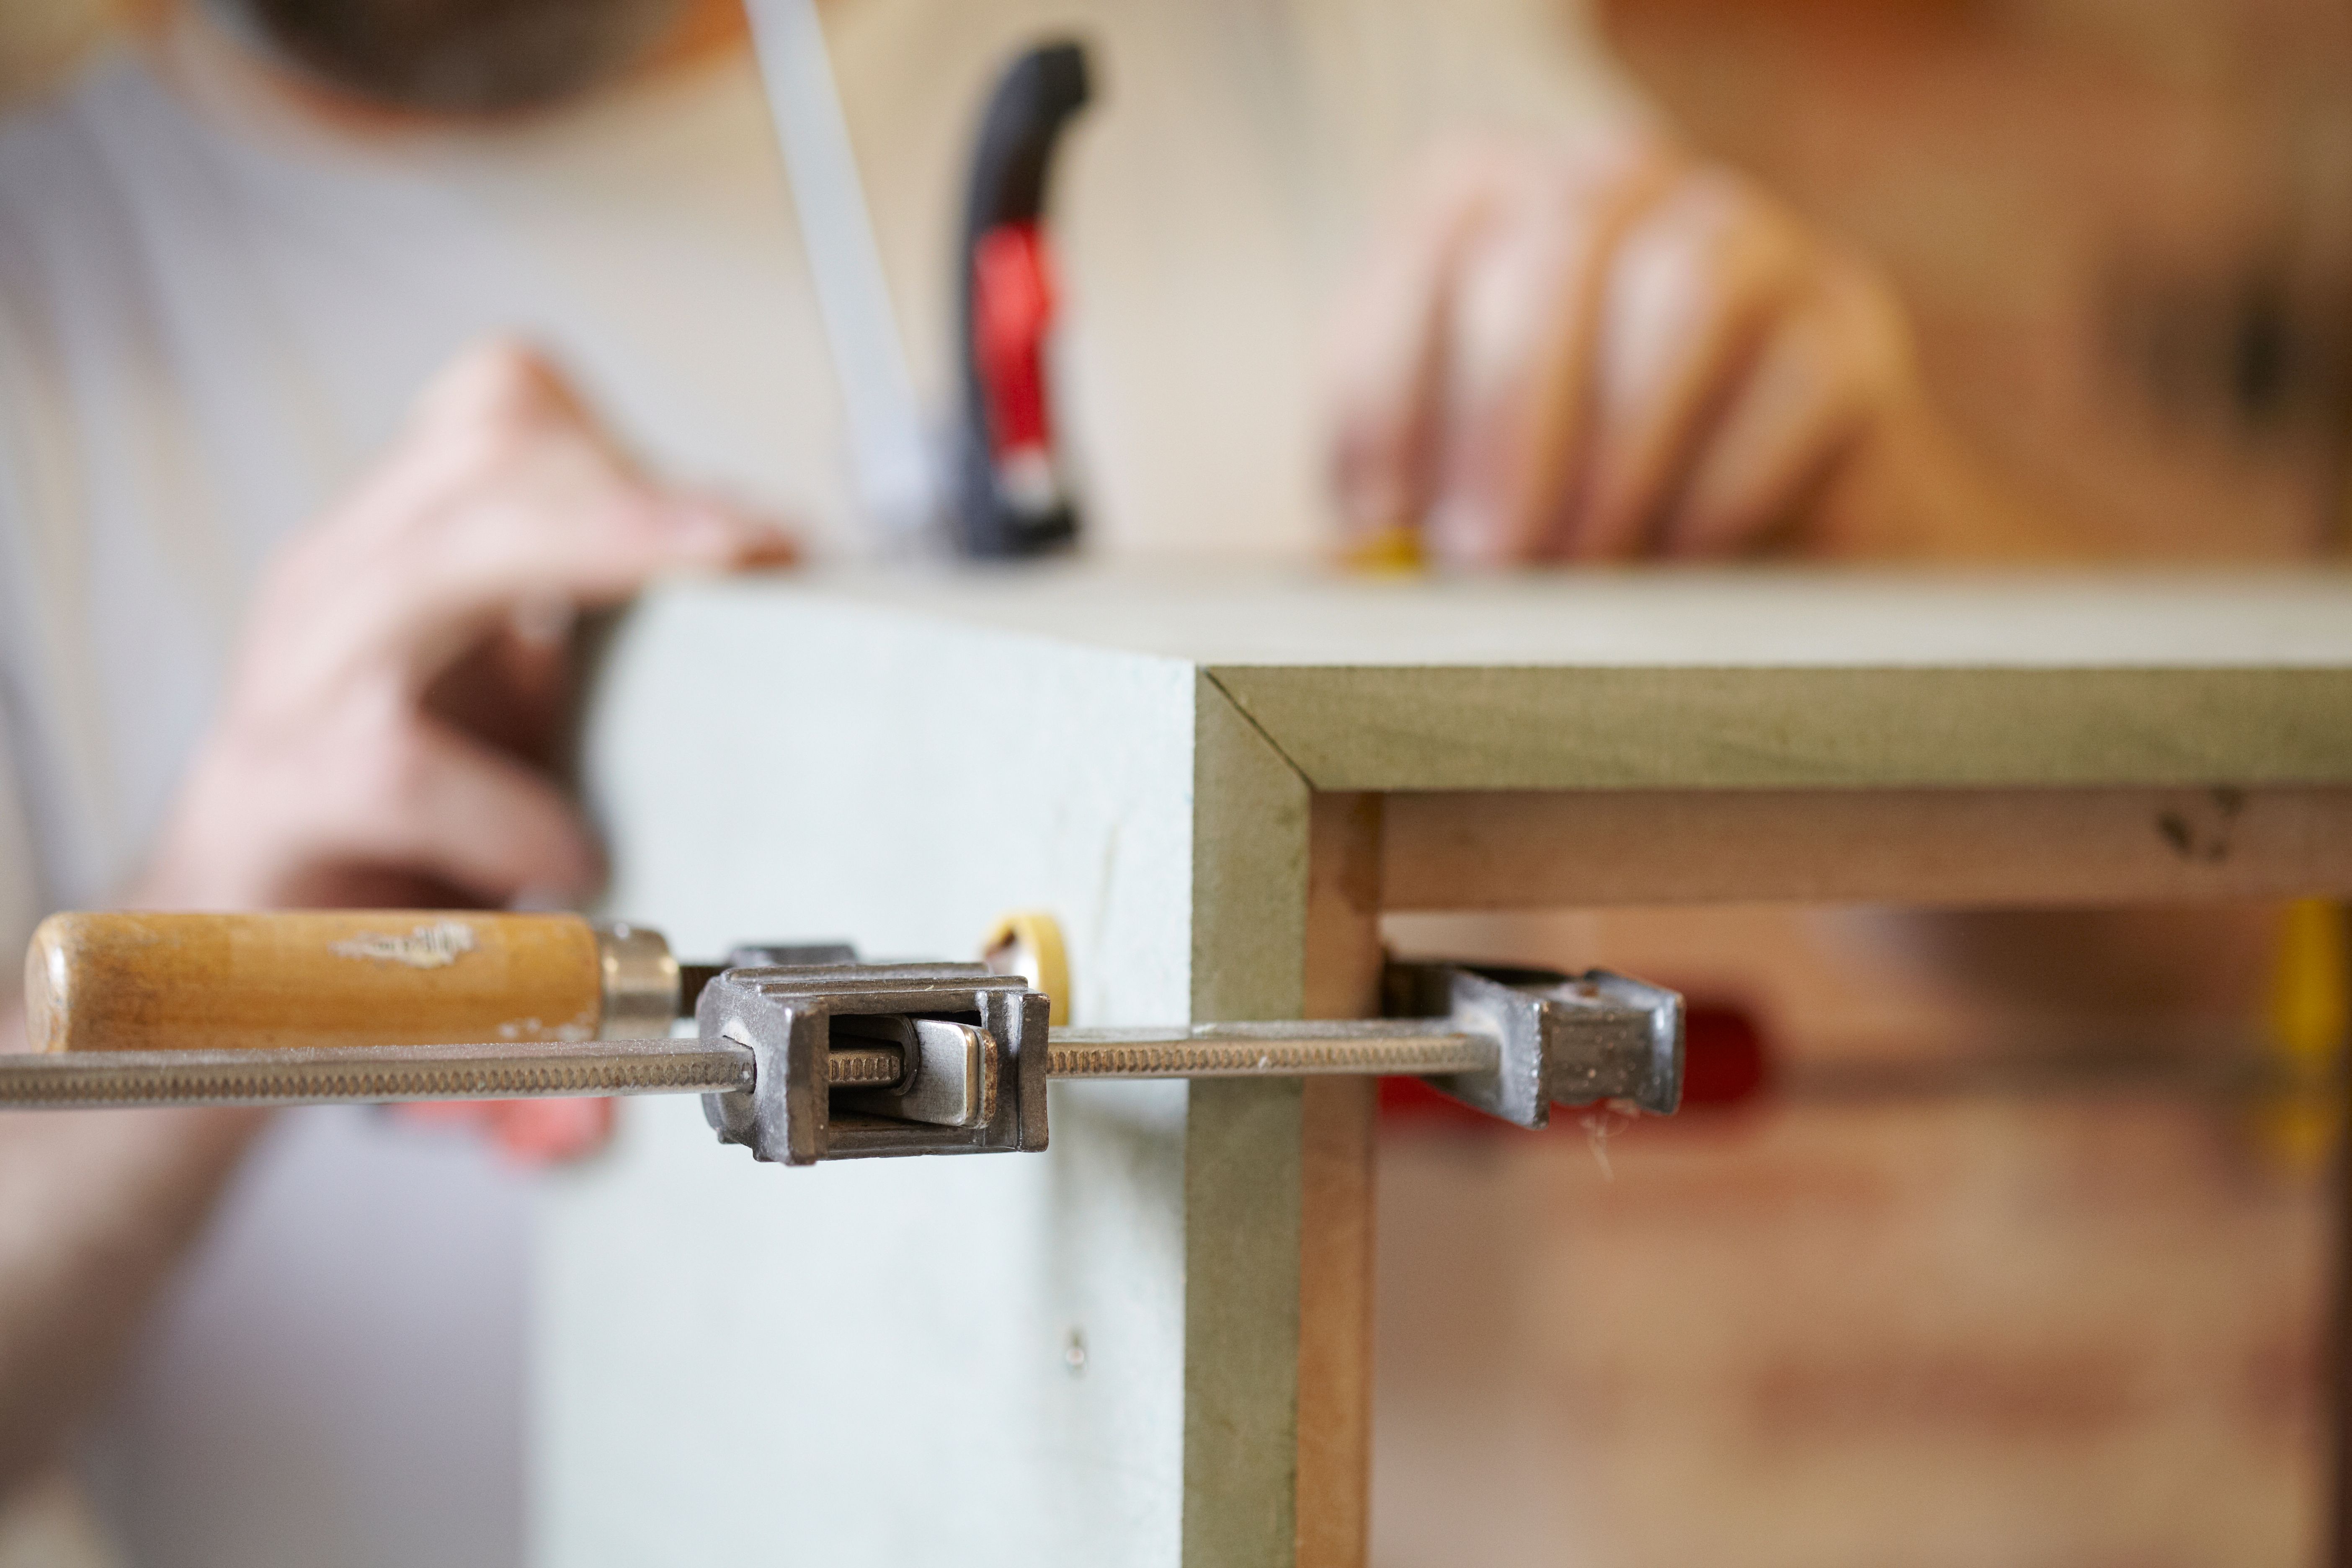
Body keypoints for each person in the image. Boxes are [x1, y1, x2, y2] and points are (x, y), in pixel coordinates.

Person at [0, 0, 2220, 1560]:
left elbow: (2210, 975)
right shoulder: (47, 292)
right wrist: (177, 980)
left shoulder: (1338, 55)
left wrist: (1876, 523)